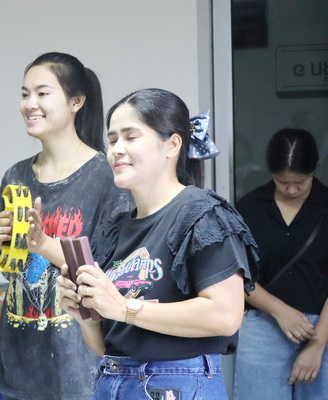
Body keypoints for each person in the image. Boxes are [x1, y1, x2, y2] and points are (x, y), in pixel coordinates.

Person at [57, 88, 258, 399]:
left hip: (176, 385)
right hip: (112, 379)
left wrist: (123, 307)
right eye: (112, 140)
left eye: (130, 137)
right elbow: (103, 345)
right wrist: (83, 315)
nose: (117, 149)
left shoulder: (203, 214)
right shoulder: (113, 229)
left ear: (172, 145)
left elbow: (225, 316)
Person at [0, 52, 133, 400]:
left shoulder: (106, 176)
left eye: (42, 93)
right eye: (25, 94)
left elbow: (114, 274)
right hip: (20, 363)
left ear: (76, 101)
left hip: (80, 369)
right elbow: (11, 269)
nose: (30, 104)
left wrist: (44, 243)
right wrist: (2, 241)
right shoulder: (15, 176)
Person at [234, 128, 328, 399]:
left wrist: (318, 343)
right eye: (282, 181)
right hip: (262, 326)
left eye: (301, 181)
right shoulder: (250, 208)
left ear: (315, 167)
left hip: (322, 327)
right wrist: (279, 310)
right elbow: (236, 274)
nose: (292, 189)